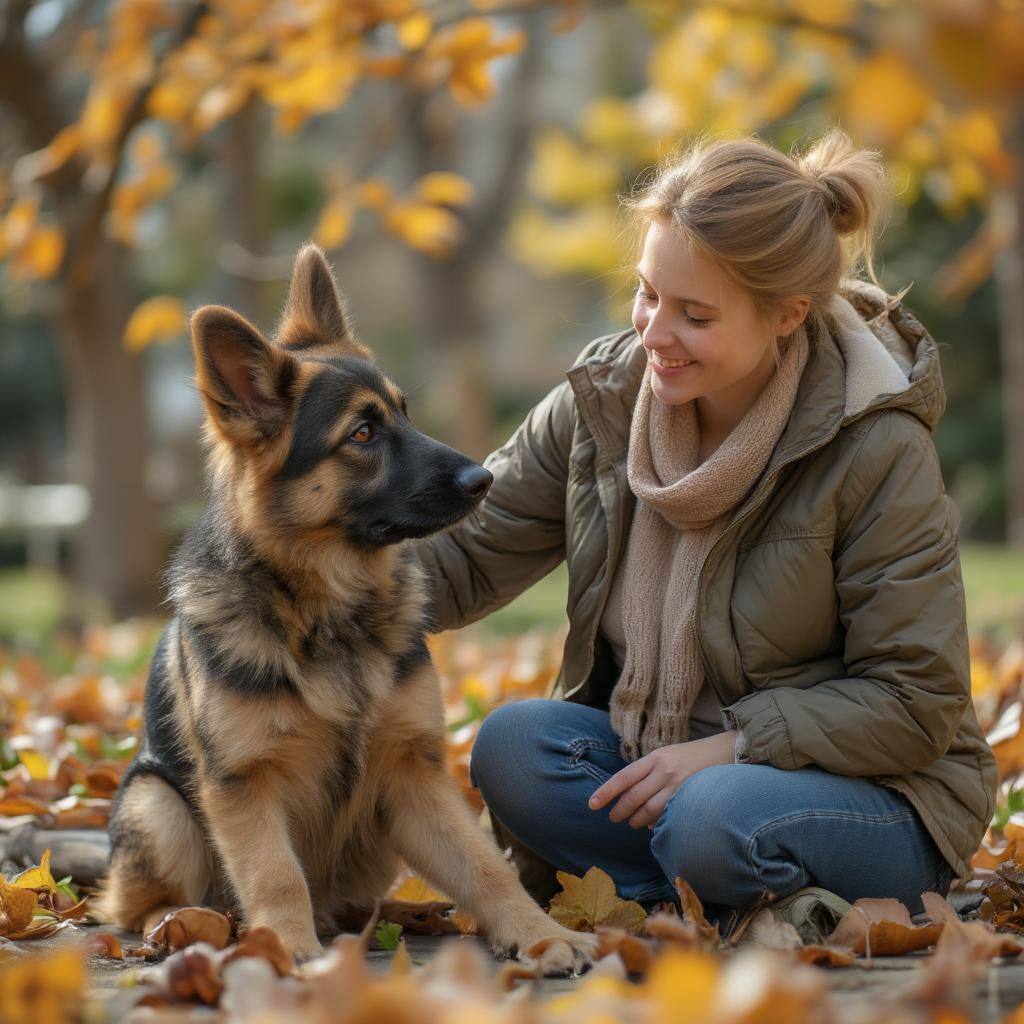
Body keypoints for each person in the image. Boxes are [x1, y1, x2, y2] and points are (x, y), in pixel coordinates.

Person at [415, 128, 998, 939]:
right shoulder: (605, 406)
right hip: (670, 767)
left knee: (714, 818)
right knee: (513, 746)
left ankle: (706, 882)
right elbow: (464, 559)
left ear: (787, 315)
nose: (653, 332)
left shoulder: (875, 445)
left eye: (693, 314)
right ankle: (722, 899)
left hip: (877, 796)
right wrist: (289, 581)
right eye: (648, 293)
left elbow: (916, 702)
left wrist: (732, 748)